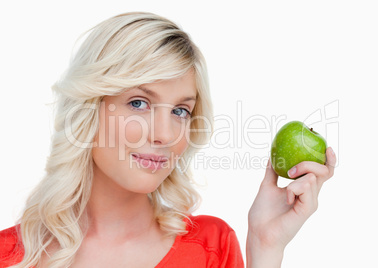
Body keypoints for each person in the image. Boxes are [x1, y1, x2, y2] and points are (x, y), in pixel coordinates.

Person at [0, 12, 336, 268]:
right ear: (89, 109)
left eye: (180, 111)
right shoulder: (9, 255)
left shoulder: (212, 247)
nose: (164, 135)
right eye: (138, 103)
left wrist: (266, 247)